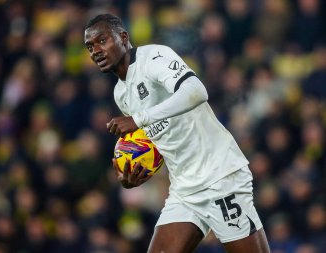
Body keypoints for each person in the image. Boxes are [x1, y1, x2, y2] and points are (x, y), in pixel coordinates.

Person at [84, 13, 271, 253]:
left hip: (220, 176)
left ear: (123, 37)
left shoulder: (153, 57)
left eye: (102, 41)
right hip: (184, 189)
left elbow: (196, 91)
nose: (96, 50)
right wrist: (135, 172)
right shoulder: (121, 94)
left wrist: (139, 118)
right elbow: (164, 138)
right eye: (90, 46)